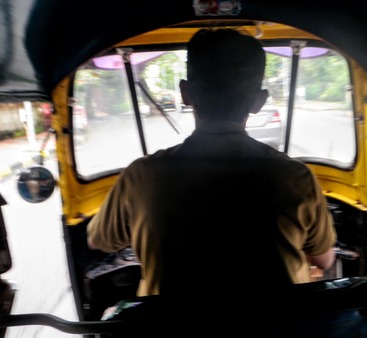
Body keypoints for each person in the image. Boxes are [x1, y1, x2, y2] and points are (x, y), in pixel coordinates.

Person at [87, 28, 336, 299]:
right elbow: (324, 261)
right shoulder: (296, 178)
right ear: (258, 101)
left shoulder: (141, 176)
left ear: (185, 93)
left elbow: (98, 240)